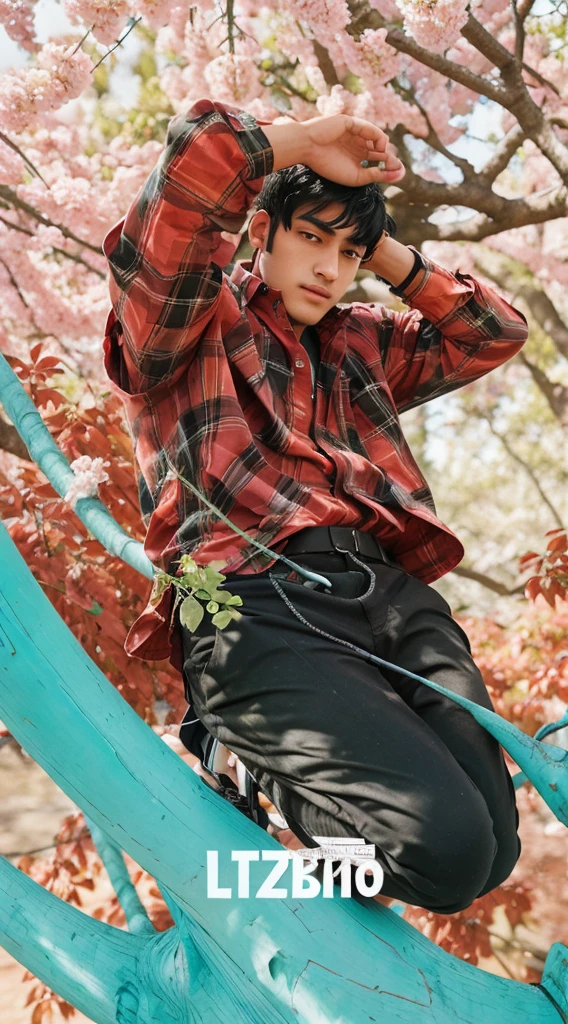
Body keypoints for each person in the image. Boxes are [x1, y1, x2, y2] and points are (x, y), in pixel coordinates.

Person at [102, 97, 528, 914]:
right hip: (255, 600)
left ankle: (310, 850)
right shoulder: (188, 320)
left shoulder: (359, 337)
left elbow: (493, 333)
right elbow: (191, 179)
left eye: (347, 252)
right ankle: (248, 795)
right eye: (310, 237)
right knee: (445, 851)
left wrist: (387, 251)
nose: (328, 268)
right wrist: (304, 144)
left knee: (493, 852)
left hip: (391, 601)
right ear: (263, 232)